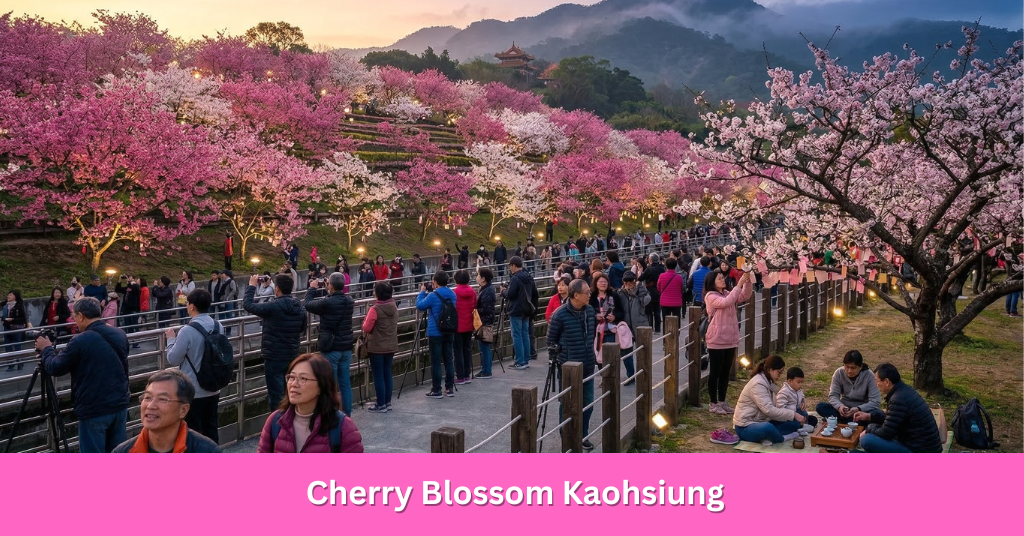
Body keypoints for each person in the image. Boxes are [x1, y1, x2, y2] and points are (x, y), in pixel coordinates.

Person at [36, 297, 130, 452]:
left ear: (81, 316)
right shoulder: (119, 333)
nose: (74, 322)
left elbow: (56, 367)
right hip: (120, 403)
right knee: (118, 452)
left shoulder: (80, 340)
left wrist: (46, 349)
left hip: (94, 408)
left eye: (74, 317)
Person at [257, 354, 364, 453]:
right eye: (291, 377)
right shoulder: (275, 422)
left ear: (321, 386)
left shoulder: (343, 428)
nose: (294, 384)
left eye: (303, 378)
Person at [163, 289, 223, 443]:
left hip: (194, 390)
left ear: (191, 306)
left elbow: (173, 359)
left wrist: (170, 340)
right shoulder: (218, 326)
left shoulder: (187, 331)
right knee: (211, 429)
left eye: (187, 303)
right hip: (213, 386)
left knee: (193, 433)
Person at [112, 369, 221, 453]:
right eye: (148, 397)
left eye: (162, 399)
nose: (151, 406)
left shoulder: (207, 452)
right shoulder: (122, 452)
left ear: (183, 410)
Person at [547, 278, 598, 451]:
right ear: (576, 295)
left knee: (588, 402)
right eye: (587, 293)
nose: (590, 295)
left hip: (588, 364)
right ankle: (567, 436)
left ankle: (583, 434)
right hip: (568, 368)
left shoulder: (590, 311)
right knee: (567, 403)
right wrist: (562, 356)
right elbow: (551, 340)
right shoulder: (559, 314)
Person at [243, 274, 307, 409]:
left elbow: (248, 305)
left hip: (274, 356)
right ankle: (291, 422)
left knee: (276, 396)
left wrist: (251, 287)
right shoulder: (299, 307)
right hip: (292, 354)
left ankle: (278, 426)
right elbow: (302, 328)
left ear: (277, 289)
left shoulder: (273, 306)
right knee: (291, 393)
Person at [854, 363, 942, 453]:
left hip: (918, 450)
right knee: (872, 428)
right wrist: (869, 416)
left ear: (887, 382)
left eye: (877, 381)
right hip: (922, 445)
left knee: (867, 439)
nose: (876, 385)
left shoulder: (898, 399)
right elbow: (892, 418)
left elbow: (886, 433)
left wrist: (869, 430)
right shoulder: (904, 391)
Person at [703, 268, 754, 415]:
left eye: (722, 277)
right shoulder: (710, 296)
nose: (723, 280)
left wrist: (747, 280)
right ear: (712, 282)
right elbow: (727, 302)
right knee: (715, 372)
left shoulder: (726, 293)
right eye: (719, 278)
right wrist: (739, 284)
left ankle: (722, 401)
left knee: (725, 372)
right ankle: (713, 403)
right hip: (717, 339)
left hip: (730, 339)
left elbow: (745, 295)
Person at [304, 272, 355, 416]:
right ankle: (347, 415)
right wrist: (330, 290)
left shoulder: (327, 302)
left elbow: (308, 304)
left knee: (330, 384)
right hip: (345, 347)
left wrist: (312, 289)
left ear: (330, 285)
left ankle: (332, 414)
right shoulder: (349, 300)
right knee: (345, 383)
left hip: (331, 347)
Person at [732, 355, 806, 446]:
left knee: (794, 423)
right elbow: (768, 410)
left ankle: (769, 436)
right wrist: (793, 414)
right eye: (779, 372)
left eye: (781, 373)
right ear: (770, 370)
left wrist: (792, 416)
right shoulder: (758, 383)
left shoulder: (768, 381)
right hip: (745, 426)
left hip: (763, 420)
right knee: (768, 427)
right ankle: (781, 438)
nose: (780, 376)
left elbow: (773, 411)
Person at [416, 271, 458, 398]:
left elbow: (420, 305)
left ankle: (436, 389)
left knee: (436, 361)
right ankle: (449, 388)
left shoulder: (433, 295)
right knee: (449, 360)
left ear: (435, 282)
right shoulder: (452, 294)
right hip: (450, 330)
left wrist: (422, 292)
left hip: (435, 332)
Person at [815, 350, 882, 423]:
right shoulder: (839, 373)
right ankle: (847, 420)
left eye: (853, 368)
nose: (849, 371)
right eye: (846, 367)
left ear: (861, 366)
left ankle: (838, 420)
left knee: (878, 414)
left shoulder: (869, 375)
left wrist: (858, 409)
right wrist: (840, 407)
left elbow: (875, 401)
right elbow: (833, 395)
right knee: (820, 406)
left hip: (861, 410)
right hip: (845, 408)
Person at [363, 282, 399, 412]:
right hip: (391, 345)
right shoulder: (393, 305)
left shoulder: (375, 309)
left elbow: (367, 328)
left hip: (377, 346)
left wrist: (364, 320)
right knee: (387, 373)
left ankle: (380, 403)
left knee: (378, 375)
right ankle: (387, 402)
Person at [501, 256, 538, 370]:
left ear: (513, 265)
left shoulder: (515, 278)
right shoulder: (528, 277)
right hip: (526, 310)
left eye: (510, 266)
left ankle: (519, 361)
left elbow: (510, 294)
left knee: (517, 335)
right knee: (525, 334)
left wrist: (503, 291)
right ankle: (525, 359)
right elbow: (535, 293)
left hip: (516, 310)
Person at [617, 271, 650, 385]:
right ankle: (631, 376)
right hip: (626, 327)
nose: (628, 283)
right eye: (626, 281)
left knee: (642, 351)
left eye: (631, 281)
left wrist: (640, 292)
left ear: (635, 281)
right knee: (626, 352)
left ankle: (644, 374)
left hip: (640, 324)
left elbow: (646, 301)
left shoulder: (641, 291)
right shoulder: (620, 293)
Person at [589, 272, 624, 362]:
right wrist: (595, 316)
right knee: (598, 356)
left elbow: (621, 311)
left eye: (605, 282)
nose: (603, 284)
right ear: (595, 283)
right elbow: (587, 312)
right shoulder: (591, 296)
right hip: (596, 330)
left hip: (610, 330)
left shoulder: (614, 295)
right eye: (600, 282)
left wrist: (614, 316)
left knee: (611, 356)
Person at [452, 270, 477, 384]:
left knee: (458, 351)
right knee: (467, 350)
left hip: (457, 326)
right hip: (469, 324)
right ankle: (467, 375)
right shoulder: (472, 291)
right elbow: (475, 305)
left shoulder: (455, 292)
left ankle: (460, 376)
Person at [775, 367, 818, 434]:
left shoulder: (798, 390)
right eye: (798, 382)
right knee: (793, 424)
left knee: (813, 419)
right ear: (790, 381)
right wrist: (795, 409)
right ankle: (800, 427)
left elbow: (802, 399)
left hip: (800, 414)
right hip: (789, 417)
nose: (800, 385)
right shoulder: (784, 392)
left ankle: (802, 426)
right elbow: (780, 408)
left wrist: (803, 403)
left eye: (802, 382)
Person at [475, 268, 497, 379]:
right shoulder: (485, 289)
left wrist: (474, 310)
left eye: (478, 275)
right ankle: (485, 370)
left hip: (485, 322)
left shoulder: (487, 291)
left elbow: (486, 309)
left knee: (484, 347)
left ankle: (486, 371)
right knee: (484, 347)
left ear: (483, 279)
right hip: (484, 321)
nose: (477, 277)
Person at [638, 253, 666, 333]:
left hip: (649, 291)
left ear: (651, 260)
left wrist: (640, 271)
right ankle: (657, 329)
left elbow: (640, 278)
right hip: (658, 291)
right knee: (657, 311)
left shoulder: (649, 269)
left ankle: (650, 327)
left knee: (649, 312)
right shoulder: (662, 269)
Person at [657, 257, 686, 323]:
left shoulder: (662, 276)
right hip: (677, 302)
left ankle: (666, 332)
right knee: (677, 321)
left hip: (664, 301)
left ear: (666, 265)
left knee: (665, 321)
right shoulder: (679, 277)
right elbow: (681, 289)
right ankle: (676, 332)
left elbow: (658, 288)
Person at [2, 290, 28, 360]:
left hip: (16, 327)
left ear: (15, 296)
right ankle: (10, 364)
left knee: (17, 346)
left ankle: (19, 363)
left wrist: (13, 319)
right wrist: (3, 320)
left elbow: (23, 318)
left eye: (10, 295)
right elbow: (3, 316)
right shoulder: (5, 305)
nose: (8, 296)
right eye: (8, 294)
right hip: (7, 327)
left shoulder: (19, 306)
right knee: (7, 346)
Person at [217, 270, 239, 337]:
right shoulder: (223, 281)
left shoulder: (231, 281)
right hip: (222, 300)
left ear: (226, 274)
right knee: (222, 316)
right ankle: (222, 331)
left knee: (229, 316)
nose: (221, 275)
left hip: (228, 301)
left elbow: (234, 290)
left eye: (222, 274)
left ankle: (228, 332)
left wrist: (228, 297)